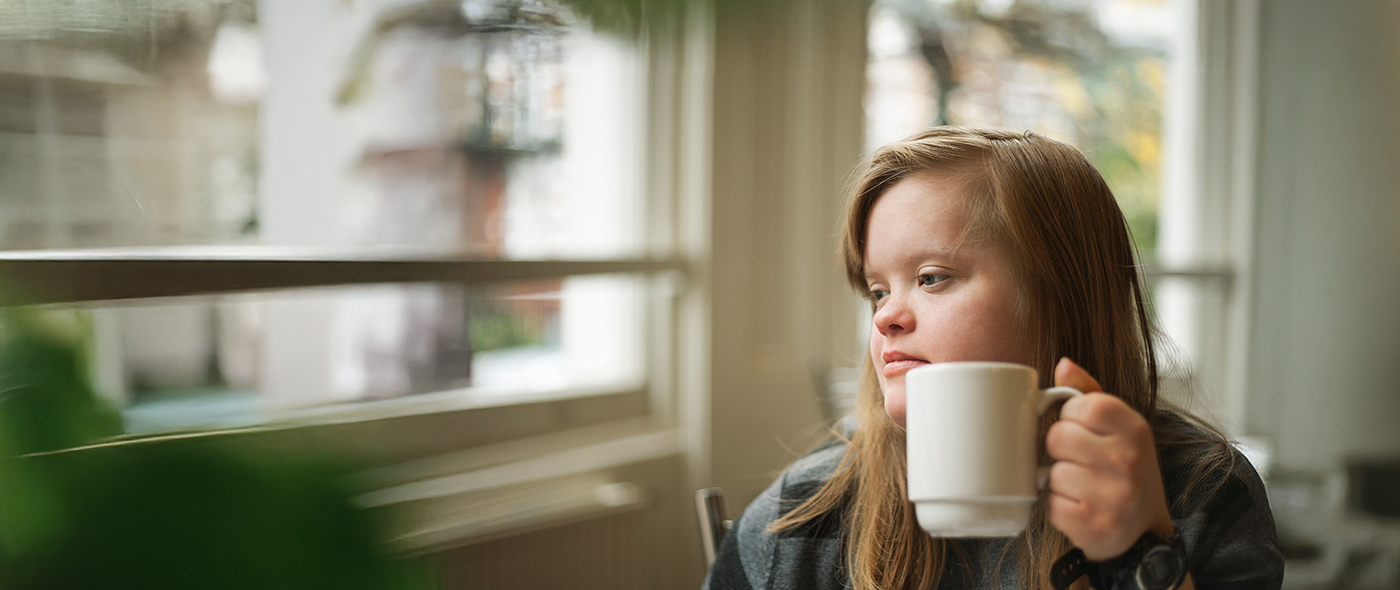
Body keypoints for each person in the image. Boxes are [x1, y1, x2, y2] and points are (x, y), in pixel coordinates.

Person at [703, 127, 1284, 590]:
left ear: (1060, 296)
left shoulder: (1200, 493)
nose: (885, 318)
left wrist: (1141, 552)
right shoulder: (804, 511)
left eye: (931, 278)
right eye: (878, 290)